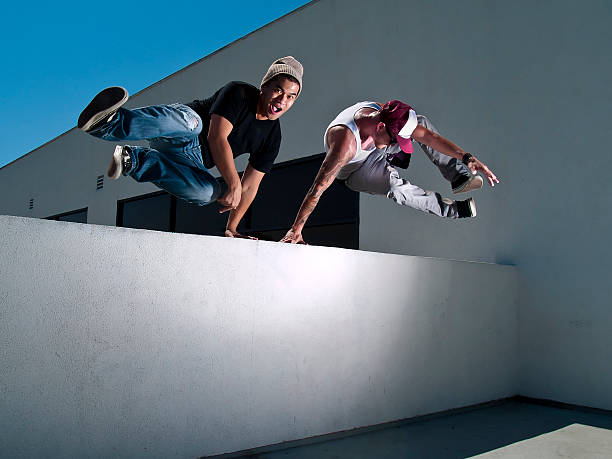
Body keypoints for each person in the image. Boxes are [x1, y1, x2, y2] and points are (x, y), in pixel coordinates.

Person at [77, 56, 303, 238]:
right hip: (177, 133)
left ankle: (134, 161)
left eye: (291, 97)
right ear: (264, 86)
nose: (282, 101)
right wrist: (233, 182)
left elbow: (250, 187)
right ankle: (108, 123)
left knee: (208, 192)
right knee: (193, 123)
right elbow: (216, 137)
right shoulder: (239, 92)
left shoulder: (272, 137)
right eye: (278, 90)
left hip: (192, 162)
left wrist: (232, 227)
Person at [280, 100, 499, 244]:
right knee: (395, 187)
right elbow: (318, 188)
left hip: (376, 147)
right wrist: (296, 229)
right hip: (357, 171)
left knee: (419, 123)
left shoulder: (386, 115)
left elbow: (430, 138)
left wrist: (468, 159)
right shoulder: (344, 144)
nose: (400, 144)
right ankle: (452, 210)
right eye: (396, 141)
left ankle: (458, 177)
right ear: (380, 127)